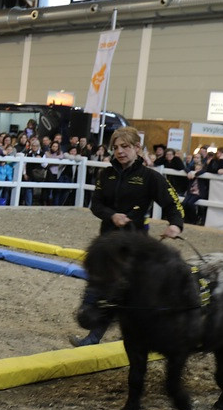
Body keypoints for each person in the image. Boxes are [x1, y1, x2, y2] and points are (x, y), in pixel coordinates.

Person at [70, 126, 184, 347]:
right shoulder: (106, 174)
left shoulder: (151, 177)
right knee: (99, 287)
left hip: (136, 244)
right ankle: (93, 332)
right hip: (106, 243)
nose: (120, 151)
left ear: (137, 148)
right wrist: (112, 216)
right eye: (116, 147)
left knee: (130, 291)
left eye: (125, 146)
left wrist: (175, 226)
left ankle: (112, 335)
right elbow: (96, 205)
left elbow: (173, 204)